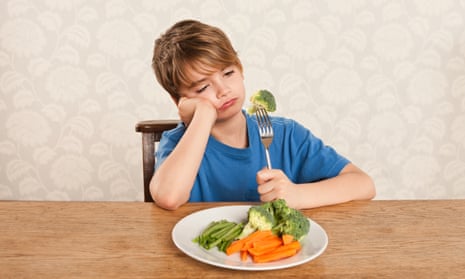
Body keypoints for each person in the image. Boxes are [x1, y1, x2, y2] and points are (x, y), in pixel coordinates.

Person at [150, 19, 375, 210]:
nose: (223, 90)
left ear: (241, 69)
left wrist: (298, 195)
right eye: (202, 88)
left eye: (228, 73)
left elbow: (363, 184)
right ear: (179, 101)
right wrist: (204, 113)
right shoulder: (177, 144)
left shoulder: (285, 134)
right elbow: (169, 197)